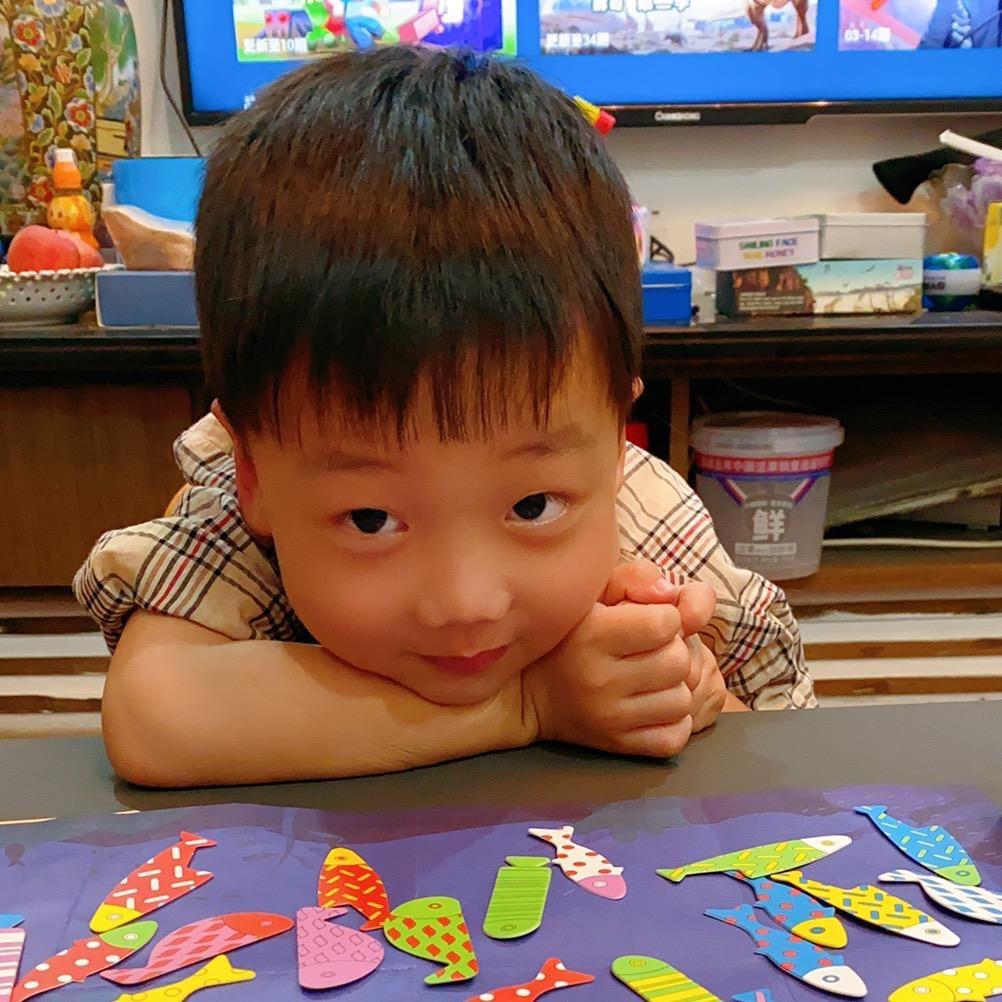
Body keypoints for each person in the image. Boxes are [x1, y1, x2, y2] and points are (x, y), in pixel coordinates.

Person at [74, 47, 814, 789]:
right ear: (253, 473)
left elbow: (780, 745)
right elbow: (155, 721)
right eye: (370, 520)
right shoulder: (235, 525)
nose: (467, 602)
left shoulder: (648, 524)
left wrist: (678, 686)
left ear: (617, 444)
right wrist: (530, 704)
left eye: (532, 507)